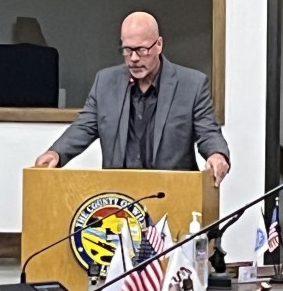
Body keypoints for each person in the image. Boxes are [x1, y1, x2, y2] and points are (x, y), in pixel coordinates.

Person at [35, 11, 230, 187]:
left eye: (141, 50)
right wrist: (56, 153)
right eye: (127, 50)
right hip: (118, 197)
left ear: (159, 44)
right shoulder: (105, 82)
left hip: (173, 193)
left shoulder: (192, 84)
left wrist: (217, 155)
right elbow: (84, 127)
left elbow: (208, 132)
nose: (134, 58)